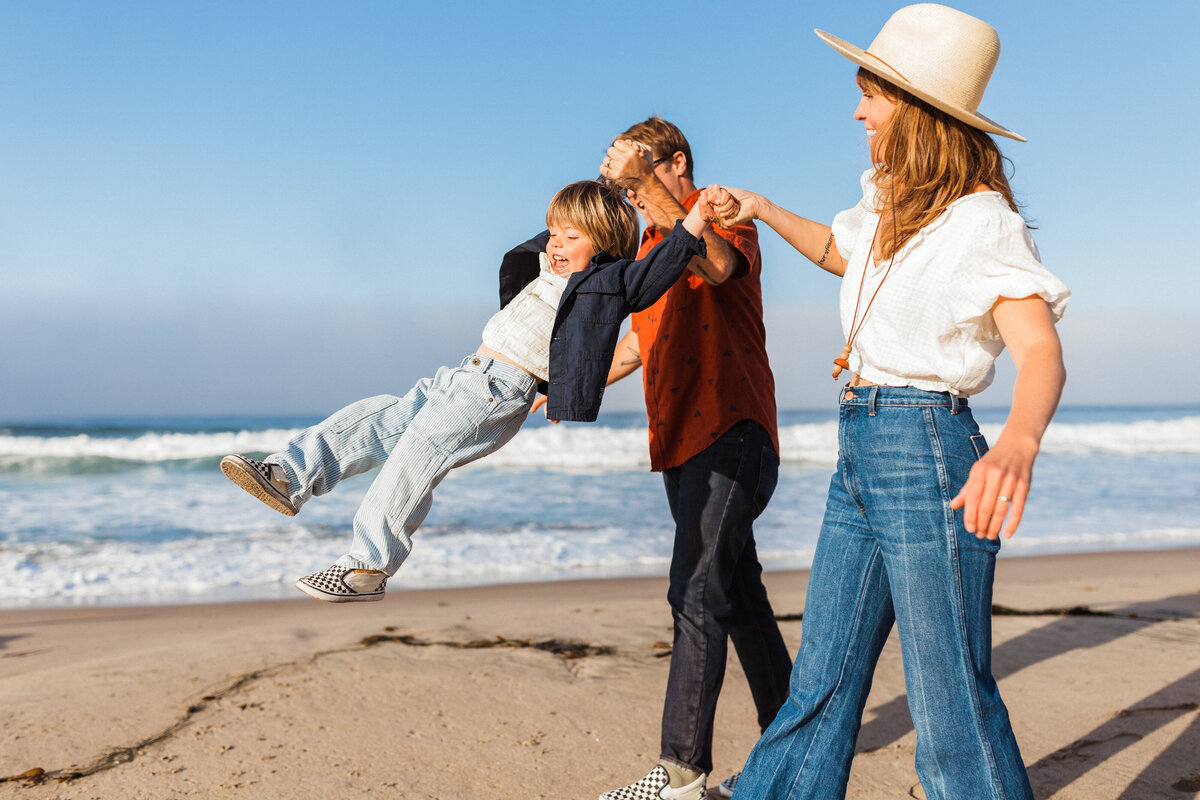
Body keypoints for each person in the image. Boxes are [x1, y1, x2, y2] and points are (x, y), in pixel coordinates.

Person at [706, 5, 1070, 799]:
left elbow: (1039, 348)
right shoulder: (889, 206)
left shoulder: (982, 223)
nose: (859, 109)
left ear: (918, 111)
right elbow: (845, 255)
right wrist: (763, 208)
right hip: (862, 443)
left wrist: (1018, 443)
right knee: (821, 682)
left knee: (949, 706)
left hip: (928, 451)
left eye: (871, 93)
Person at [221, 179, 717, 602]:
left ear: (605, 243)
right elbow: (564, 227)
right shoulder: (549, 266)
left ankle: (367, 566)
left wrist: (694, 220)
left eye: (572, 236)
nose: (557, 244)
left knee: (415, 456)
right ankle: (289, 474)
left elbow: (660, 268)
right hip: (464, 375)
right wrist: (602, 189)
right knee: (380, 419)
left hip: (498, 391)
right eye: (554, 233)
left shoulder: (610, 282)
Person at [588, 118, 794, 800]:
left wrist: (645, 180)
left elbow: (720, 264)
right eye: (626, 188)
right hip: (679, 445)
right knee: (741, 600)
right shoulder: (651, 247)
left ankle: (681, 769)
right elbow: (634, 347)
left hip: (733, 432)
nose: (634, 198)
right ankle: (794, 746)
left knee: (696, 590)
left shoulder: (720, 213)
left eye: (642, 180)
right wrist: (549, 382)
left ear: (677, 163)